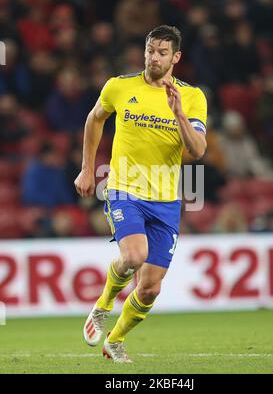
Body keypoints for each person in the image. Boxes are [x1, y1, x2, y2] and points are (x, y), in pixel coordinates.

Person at [74, 25, 207, 363]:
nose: (154, 57)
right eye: (150, 50)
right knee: (134, 256)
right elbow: (94, 119)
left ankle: (115, 341)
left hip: (166, 199)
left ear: (175, 57)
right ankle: (103, 304)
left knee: (150, 288)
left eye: (162, 52)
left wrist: (179, 115)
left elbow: (198, 151)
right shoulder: (119, 86)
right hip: (123, 189)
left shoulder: (192, 97)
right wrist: (88, 169)